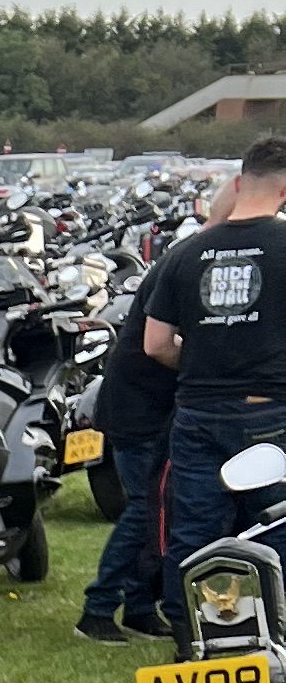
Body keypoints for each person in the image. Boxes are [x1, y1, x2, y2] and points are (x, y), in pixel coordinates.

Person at [142, 131, 286, 634]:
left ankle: (193, 638)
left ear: (239, 183)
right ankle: (276, 638)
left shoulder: (187, 253)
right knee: (276, 527)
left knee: (194, 533)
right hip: (271, 412)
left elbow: (156, 344)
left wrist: (206, 361)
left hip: (198, 413)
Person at [78, 217, 195, 645]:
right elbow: (159, 345)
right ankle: (98, 607)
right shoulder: (184, 270)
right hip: (138, 410)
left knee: (155, 509)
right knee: (145, 510)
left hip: (141, 406)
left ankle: (140, 608)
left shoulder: (174, 265)